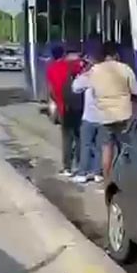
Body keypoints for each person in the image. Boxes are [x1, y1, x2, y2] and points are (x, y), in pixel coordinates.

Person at [89, 42, 137, 180]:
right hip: (124, 114)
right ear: (115, 54)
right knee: (125, 148)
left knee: (107, 149)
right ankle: (124, 178)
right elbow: (136, 90)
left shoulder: (95, 70)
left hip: (105, 115)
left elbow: (93, 93)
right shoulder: (125, 68)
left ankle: (107, 180)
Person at [46, 44, 84, 176]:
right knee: (79, 137)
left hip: (63, 107)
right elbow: (81, 67)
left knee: (67, 138)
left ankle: (67, 167)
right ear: (63, 54)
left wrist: (56, 100)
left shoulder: (51, 69)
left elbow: (51, 90)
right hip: (77, 106)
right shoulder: (69, 65)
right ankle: (80, 165)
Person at [70, 52, 104, 184]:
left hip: (89, 117)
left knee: (86, 145)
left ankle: (83, 173)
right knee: (99, 146)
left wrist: (82, 74)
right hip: (103, 117)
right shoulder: (106, 76)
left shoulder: (88, 75)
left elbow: (75, 87)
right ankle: (97, 173)